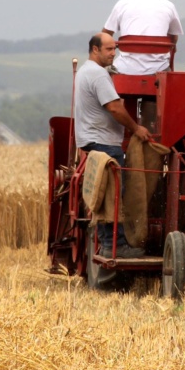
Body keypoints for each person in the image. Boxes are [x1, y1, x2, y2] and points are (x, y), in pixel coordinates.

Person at [74, 32, 151, 258]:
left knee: (104, 194)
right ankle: (115, 246)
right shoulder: (98, 75)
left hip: (93, 141)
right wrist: (137, 129)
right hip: (104, 143)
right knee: (114, 195)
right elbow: (115, 108)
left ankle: (109, 244)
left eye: (114, 49)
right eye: (108, 49)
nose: (113, 53)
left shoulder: (84, 72)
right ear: (95, 50)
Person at [103, 0, 183, 75]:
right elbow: (173, 39)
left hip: (124, 69)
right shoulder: (169, 6)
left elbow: (105, 35)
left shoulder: (122, 4)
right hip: (159, 70)